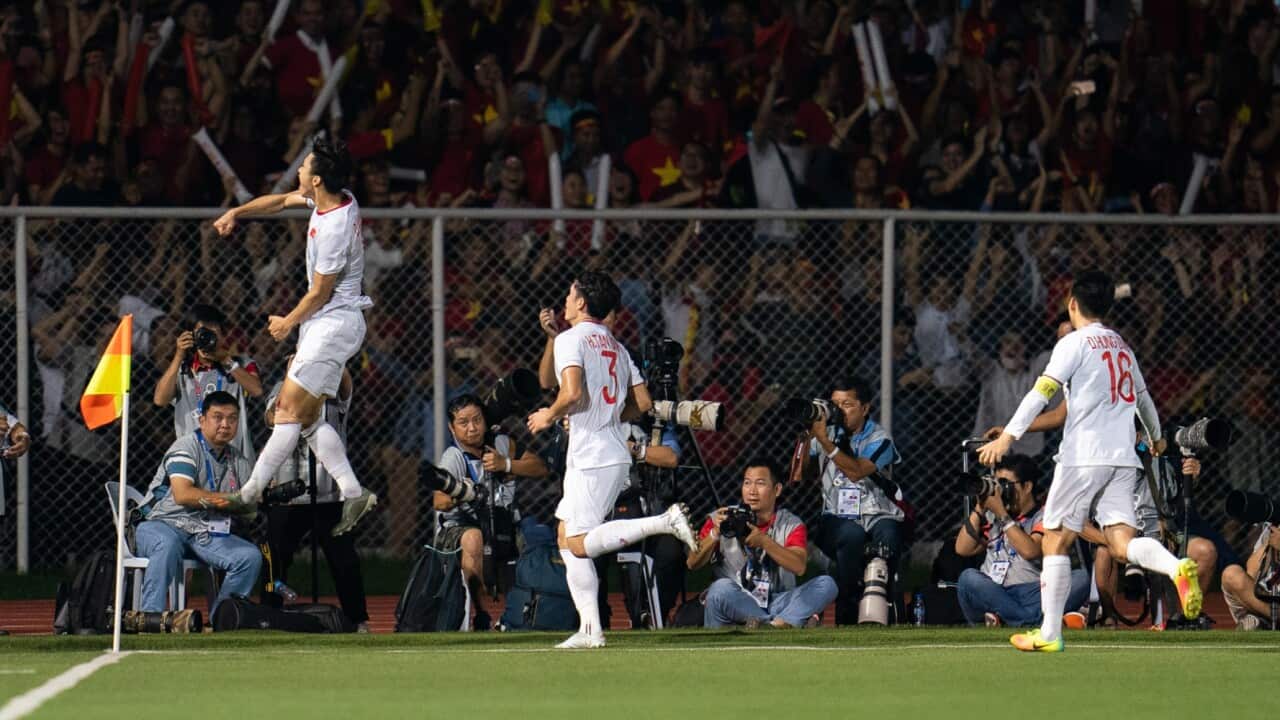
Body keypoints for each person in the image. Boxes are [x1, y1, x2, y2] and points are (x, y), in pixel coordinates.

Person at [979, 269, 1201, 652]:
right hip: (1122, 459)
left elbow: (1040, 392)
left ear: (1072, 303)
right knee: (1120, 542)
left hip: (1083, 456)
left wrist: (1009, 437)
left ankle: (1049, 634)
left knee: (1054, 540)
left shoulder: (1073, 343)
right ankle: (1174, 566)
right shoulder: (1121, 346)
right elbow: (1144, 401)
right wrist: (1157, 438)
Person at [214, 137, 406, 535]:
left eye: (304, 167)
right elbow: (281, 201)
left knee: (286, 410)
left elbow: (319, 292)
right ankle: (353, 491)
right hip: (325, 326)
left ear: (316, 179)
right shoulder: (334, 198)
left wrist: (286, 322)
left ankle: (248, 495)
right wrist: (238, 210)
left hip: (332, 326)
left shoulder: (335, 227)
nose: (297, 171)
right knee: (305, 418)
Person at [526, 272, 697, 649]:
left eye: (570, 294)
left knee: (579, 543)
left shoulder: (573, 339)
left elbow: (569, 395)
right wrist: (607, 417)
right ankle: (591, 631)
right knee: (565, 537)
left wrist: (547, 415)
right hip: (608, 450)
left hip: (593, 457)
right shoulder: (617, 347)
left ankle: (663, 521)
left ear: (582, 303)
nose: (565, 301)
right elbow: (644, 403)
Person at [262, 358, 369, 632]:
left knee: (344, 559)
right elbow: (272, 418)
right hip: (290, 491)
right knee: (275, 556)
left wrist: (334, 355)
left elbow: (345, 385)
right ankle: (268, 615)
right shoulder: (280, 388)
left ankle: (358, 620)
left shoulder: (333, 391)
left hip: (329, 494)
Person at [135, 391, 261, 614]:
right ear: (202, 420)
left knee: (249, 557)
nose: (225, 424)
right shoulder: (186, 446)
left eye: (232, 418)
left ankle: (223, 619)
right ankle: (149, 618)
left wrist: (258, 497)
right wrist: (230, 500)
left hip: (203, 532)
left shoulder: (237, 458)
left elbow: (250, 508)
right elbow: (182, 494)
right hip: (162, 524)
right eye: (218, 417)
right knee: (167, 545)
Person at [435, 393, 549, 629]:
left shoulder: (502, 444)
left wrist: (506, 464)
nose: (472, 428)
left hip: (504, 521)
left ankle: (528, 615)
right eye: (463, 423)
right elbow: (440, 501)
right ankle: (476, 615)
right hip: (462, 527)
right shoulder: (453, 456)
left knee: (540, 537)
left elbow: (540, 467)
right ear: (451, 428)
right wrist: (465, 493)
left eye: (477, 420)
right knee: (474, 538)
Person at [688, 460, 837, 629]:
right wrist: (714, 533)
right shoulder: (722, 518)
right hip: (736, 600)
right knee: (719, 589)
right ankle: (783, 623)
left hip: (777, 599)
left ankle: (770, 624)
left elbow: (799, 566)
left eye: (760, 483)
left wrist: (764, 542)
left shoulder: (791, 524)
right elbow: (692, 563)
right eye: (747, 483)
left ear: (777, 490)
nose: (752, 491)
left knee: (826, 584)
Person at [805, 376, 903, 625]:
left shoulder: (880, 439)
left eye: (847, 404)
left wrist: (826, 443)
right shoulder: (824, 433)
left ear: (865, 407)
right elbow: (797, 474)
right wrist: (806, 434)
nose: (839, 411)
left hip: (877, 512)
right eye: (834, 404)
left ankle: (888, 611)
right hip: (836, 516)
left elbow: (857, 470)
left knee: (889, 535)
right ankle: (847, 616)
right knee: (851, 535)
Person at [954, 454, 1089, 627]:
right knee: (968, 579)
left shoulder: (1045, 516)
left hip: (1032, 592)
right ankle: (1035, 622)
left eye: (1004, 484)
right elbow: (962, 549)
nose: (999, 490)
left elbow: (1030, 551)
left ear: (1027, 486)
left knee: (1080, 578)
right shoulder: (991, 514)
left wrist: (1003, 515)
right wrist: (980, 507)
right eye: (996, 484)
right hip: (994, 592)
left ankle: (1007, 619)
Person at [153, 304, 264, 461]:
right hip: (194, 460)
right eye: (202, 334)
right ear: (191, 336)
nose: (208, 339)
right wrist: (179, 355)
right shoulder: (183, 370)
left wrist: (227, 361)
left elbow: (257, 390)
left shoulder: (241, 364)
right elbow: (159, 399)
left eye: (214, 334)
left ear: (223, 336)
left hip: (236, 458)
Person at [1222, 522, 1280, 630]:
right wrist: (1269, 543)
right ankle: (1263, 621)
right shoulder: (1273, 528)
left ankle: (1262, 622)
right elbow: (1252, 572)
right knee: (1231, 574)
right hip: (1268, 598)